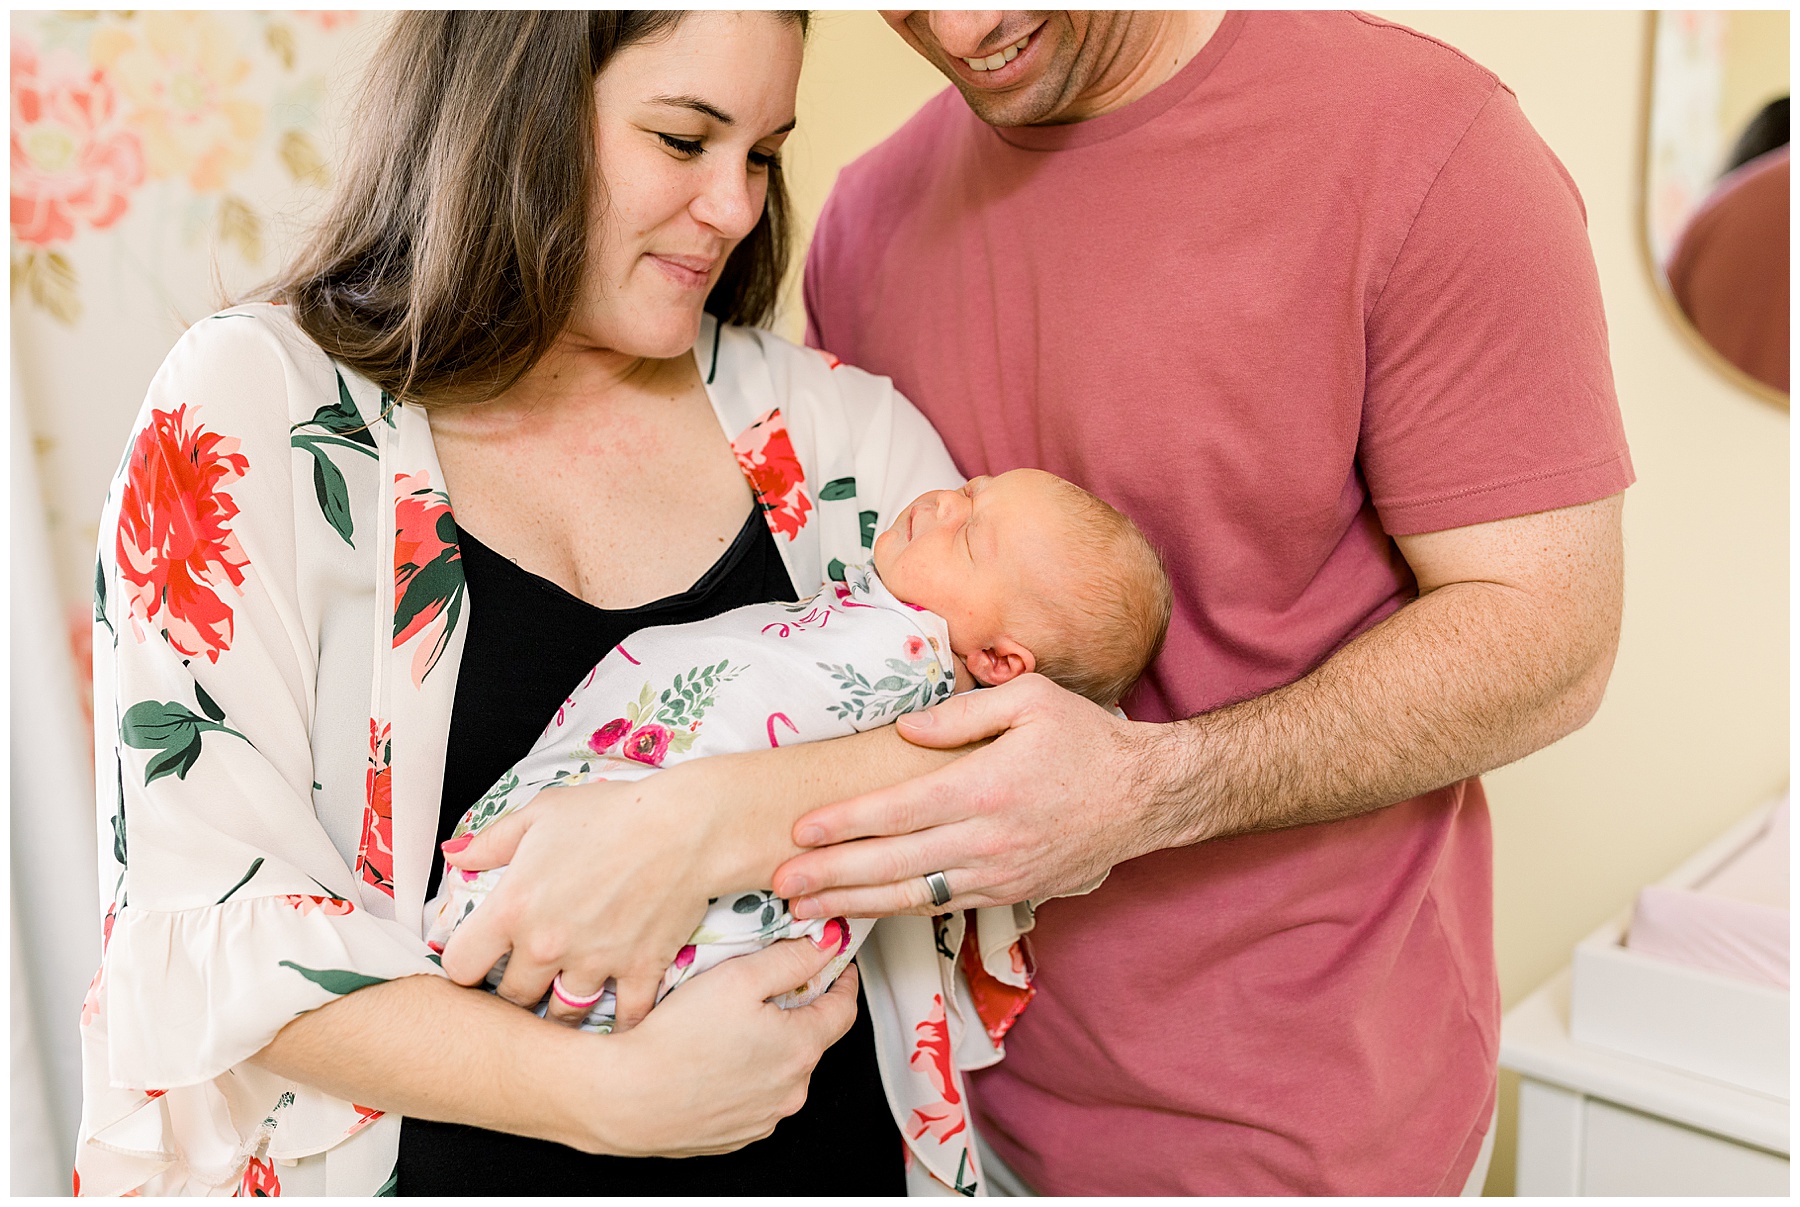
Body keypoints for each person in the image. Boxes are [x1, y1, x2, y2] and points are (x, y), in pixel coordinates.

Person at [78, 11, 977, 1197]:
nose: (737, 208)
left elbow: (1029, 759)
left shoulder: (841, 440)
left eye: (760, 153)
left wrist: (698, 823)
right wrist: (610, 1099)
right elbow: (201, 936)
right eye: (683, 139)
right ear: (517, 103)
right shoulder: (256, 412)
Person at [787, 9, 1633, 1196]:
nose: (963, 27)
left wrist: (1149, 789)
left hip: (1296, 1140)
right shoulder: (868, 222)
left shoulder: (1424, 147)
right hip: (944, 1115)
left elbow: (1552, 635)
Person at [427, 469, 1172, 1033]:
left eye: (972, 536)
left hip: (620, 915)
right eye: (972, 489)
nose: (946, 503)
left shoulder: (909, 665)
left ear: (1002, 663)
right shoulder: (866, 611)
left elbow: (768, 710)